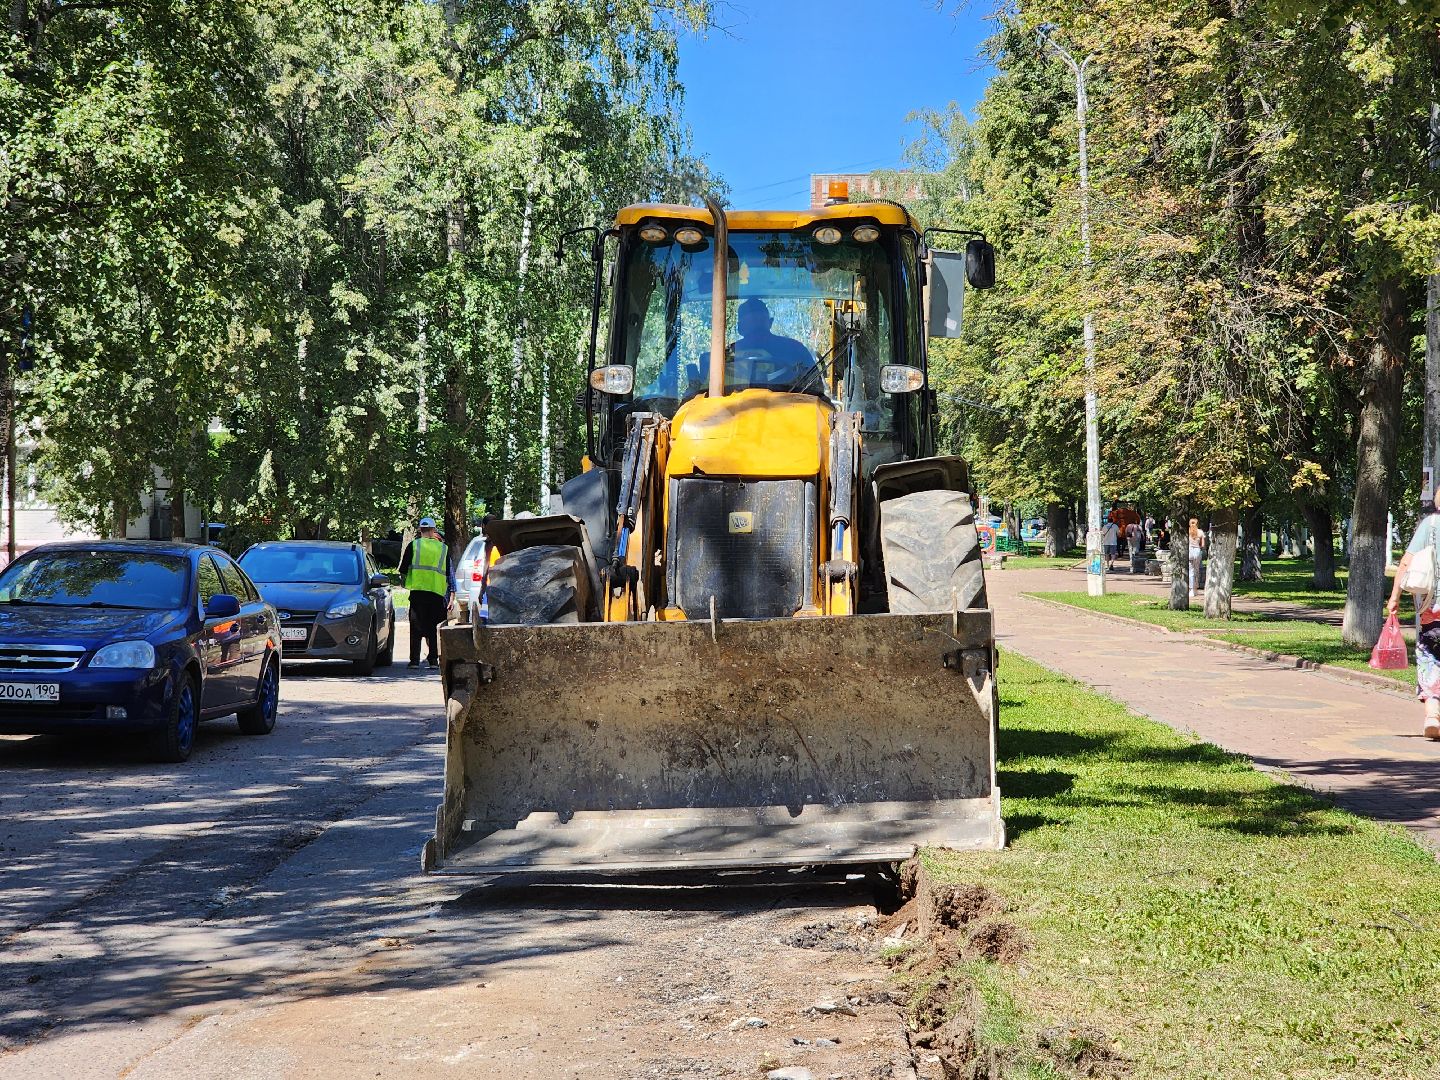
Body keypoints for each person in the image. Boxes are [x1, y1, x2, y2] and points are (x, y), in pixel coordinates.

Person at [1388, 494, 1440, 740]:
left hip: (1432, 612)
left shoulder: (1430, 525)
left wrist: (1395, 597)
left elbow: (1406, 564)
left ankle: (1432, 714)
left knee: (1430, 658)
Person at [399, 516, 453, 669]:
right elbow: (448, 572)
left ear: (420, 530)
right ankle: (433, 660)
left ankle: (415, 661)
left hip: (417, 593)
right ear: (434, 530)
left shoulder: (414, 545)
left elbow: (403, 568)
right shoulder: (443, 548)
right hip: (436, 593)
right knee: (433, 628)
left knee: (415, 627)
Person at [729, 298, 814, 389]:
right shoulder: (724, 356)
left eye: (760, 327)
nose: (757, 337)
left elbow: (815, 386)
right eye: (752, 326)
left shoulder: (796, 350)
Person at [1188, 518, 1207, 597]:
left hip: (1189, 551)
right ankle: (1195, 589)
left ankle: (1191, 589)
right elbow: (1203, 545)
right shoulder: (1200, 532)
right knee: (1196, 570)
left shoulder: (1187, 531)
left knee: (1190, 571)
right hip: (1197, 551)